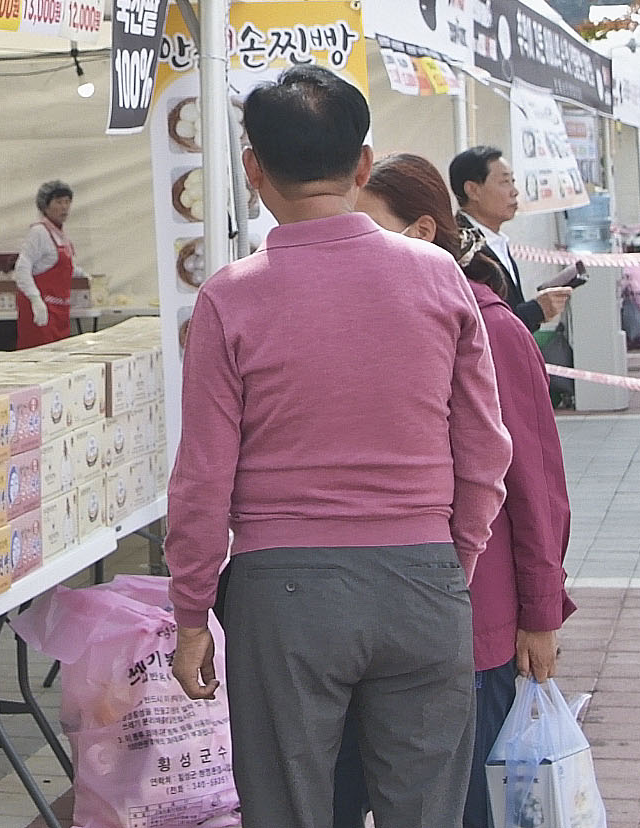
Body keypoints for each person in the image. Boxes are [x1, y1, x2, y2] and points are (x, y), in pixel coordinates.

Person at [167, 65, 509, 828]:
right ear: (362, 164)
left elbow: (201, 478)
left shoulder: (229, 296)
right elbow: (485, 448)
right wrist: (452, 557)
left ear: (252, 169)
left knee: (287, 807)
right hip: (422, 574)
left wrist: (190, 613)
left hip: (281, 592)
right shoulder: (437, 276)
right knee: (427, 810)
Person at [334, 155, 572, 828]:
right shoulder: (360, 320)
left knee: (468, 805)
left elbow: (534, 487)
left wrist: (541, 613)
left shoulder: (491, 327)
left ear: (421, 230)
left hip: (476, 622)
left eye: (369, 226)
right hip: (378, 620)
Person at [449, 146, 571, 334]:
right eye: (504, 182)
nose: (514, 191)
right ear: (473, 190)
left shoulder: (495, 241)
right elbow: (484, 326)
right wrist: (535, 310)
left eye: (512, 181)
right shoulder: (463, 247)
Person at [13, 180, 77, 349]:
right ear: (45, 206)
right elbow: (22, 269)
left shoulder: (61, 234)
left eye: (67, 202)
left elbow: (61, 266)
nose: (64, 207)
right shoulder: (39, 232)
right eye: (59, 202)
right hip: (41, 311)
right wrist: (35, 299)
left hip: (60, 311)